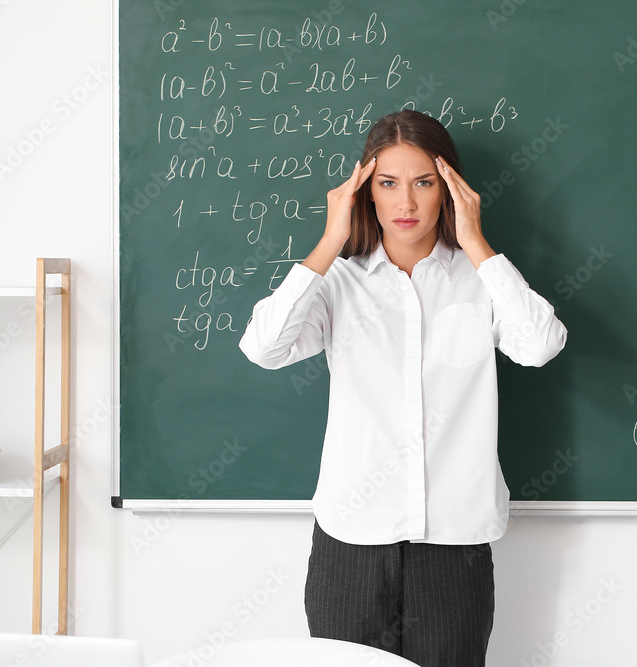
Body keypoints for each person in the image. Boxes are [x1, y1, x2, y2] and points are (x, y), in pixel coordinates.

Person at [239, 110, 567, 666]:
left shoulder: (480, 280)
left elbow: (539, 345)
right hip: (351, 543)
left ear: (450, 191)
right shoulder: (336, 282)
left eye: (424, 183)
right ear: (365, 193)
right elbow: (263, 348)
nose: (406, 203)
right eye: (388, 184)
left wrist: (477, 242)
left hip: (453, 545)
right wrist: (329, 239)